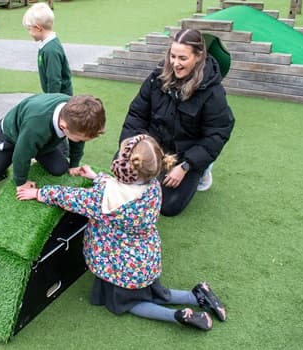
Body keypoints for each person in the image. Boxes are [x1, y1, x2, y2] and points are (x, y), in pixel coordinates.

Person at [17, 134, 227, 330]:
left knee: (129, 303)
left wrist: (38, 192)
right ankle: (196, 295)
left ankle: (177, 316)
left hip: (119, 264)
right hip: (145, 259)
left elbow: (70, 196)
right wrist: (97, 176)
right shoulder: (152, 185)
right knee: (154, 291)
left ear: (122, 166)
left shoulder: (105, 200)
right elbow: (121, 187)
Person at [118, 28, 235, 216]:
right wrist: (130, 147)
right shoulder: (157, 77)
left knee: (168, 206)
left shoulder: (213, 91)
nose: (175, 64)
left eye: (182, 58)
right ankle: (152, 168)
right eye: (173, 56)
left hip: (185, 154)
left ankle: (203, 170)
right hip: (154, 147)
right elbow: (137, 115)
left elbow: (218, 133)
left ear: (198, 57)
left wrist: (188, 165)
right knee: (122, 173)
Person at [0, 94, 105, 192]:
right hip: (9, 137)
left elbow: (78, 141)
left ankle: (40, 149)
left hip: (37, 139)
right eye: (81, 138)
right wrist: (21, 182)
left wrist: (74, 164)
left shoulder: (75, 112)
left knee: (60, 168)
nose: (82, 142)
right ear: (63, 126)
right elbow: (21, 156)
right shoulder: (37, 125)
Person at [23, 2, 73, 95]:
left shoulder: (51, 50)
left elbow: (54, 80)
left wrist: (50, 101)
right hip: (55, 96)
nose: (29, 32)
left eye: (29, 29)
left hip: (60, 98)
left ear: (38, 28)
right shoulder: (46, 45)